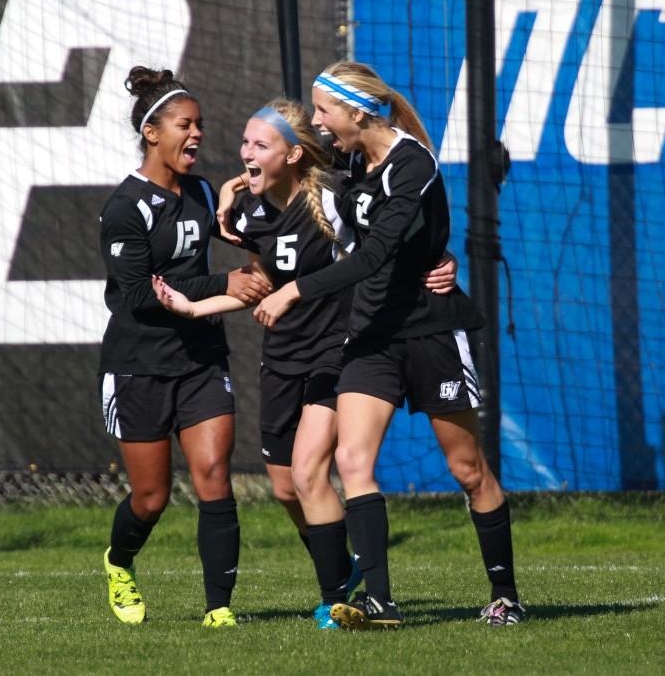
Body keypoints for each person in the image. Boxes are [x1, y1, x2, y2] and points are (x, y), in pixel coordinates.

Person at [152, 98, 457, 629]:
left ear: (294, 155)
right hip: (282, 356)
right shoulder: (245, 209)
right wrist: (195, 305)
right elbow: (262, 286)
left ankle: (333, 597)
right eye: (245, 142)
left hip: (337, 350)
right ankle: (346, 570)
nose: (245, 152)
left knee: (311, 470)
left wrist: (439, 259)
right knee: (286, 485)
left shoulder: (335, 197)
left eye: (260, 144)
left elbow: (386, 246)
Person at [253, 62, 524, 629]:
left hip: (429, 328)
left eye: (325, 110)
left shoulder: (413, 164)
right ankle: (379, 602)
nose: (317, 122)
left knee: (468, 469)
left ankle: (505, 595)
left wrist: (294, 292)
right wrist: (236, 194)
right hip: (372, 332)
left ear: (357, 112)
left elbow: (374, 255)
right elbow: (292, 167)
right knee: (352, 461)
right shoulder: (352, 158)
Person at [97, 66, 272, 629]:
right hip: (138, 366)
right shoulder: (125, 207)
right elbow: (140, 296)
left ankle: (219, 609)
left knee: (214, 477)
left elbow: (260, 238)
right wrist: (224, 284)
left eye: (200, 125)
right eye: (184, 124)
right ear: (153, 132)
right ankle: (119, 561)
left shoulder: (200, 191)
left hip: (201, 360)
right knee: (150, 499)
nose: (196, 134)